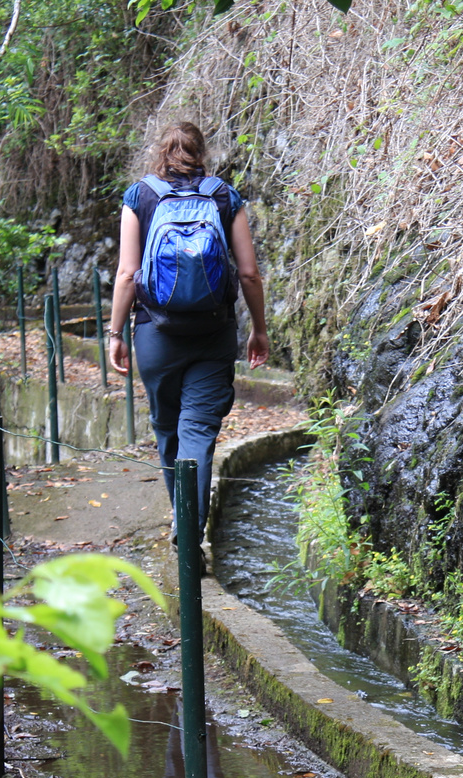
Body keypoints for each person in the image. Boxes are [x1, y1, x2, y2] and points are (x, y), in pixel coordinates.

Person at [107, 121, 269, 556]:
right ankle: (189, 533)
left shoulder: (139, 197)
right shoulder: (223, 196)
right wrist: (259, 328)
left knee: (167, 429)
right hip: (213, 333)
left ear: (160, 152)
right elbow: (249, 273)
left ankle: (183, 516)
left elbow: (126, 273)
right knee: (197, 431)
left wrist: (115, 332)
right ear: (202, 153)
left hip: (155, 334)